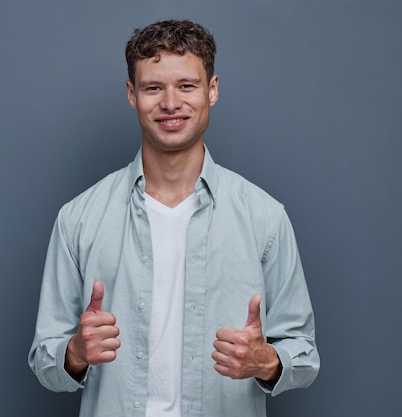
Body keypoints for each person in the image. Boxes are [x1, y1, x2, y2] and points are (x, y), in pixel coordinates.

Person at [28, 19, 319, 416]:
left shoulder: (264, 217)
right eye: (153, 88)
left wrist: (265, 361)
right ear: (132, 94)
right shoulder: (79, 218)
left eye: (186, 85)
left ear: (212, 89)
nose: (170, 103)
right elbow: (45, 357)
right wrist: (75, 352)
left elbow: (303, 354)